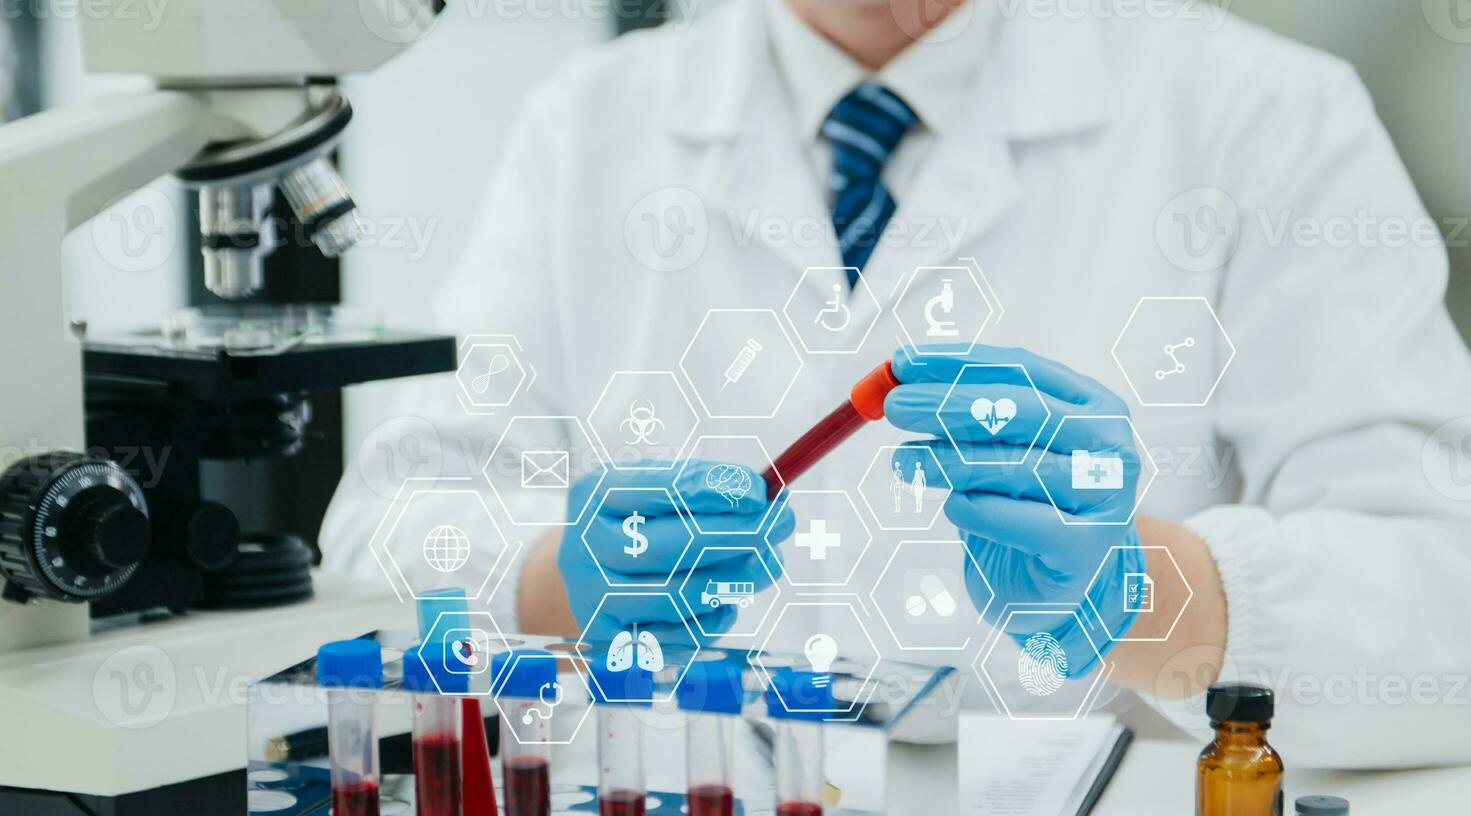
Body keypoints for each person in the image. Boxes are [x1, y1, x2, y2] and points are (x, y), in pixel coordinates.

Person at [322, 0, 1471, 767]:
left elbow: (1443, 599)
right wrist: (551, 584)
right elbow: (378, 541)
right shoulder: (591, 124)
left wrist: (1146, 591)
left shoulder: (1263, 115)